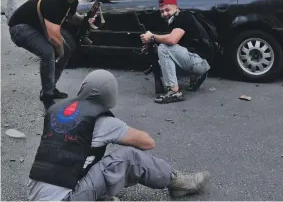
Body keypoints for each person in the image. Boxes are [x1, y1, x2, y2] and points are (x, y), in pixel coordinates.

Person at [27, 69, 211, 201]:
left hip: (35, 194)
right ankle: (178, 182)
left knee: (88, 156)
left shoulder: (55, 111)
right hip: (66, 198)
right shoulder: (102, 121)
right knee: (128, 157)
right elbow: (147, 143)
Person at [8, 0, 95, 110]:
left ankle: (51, 87)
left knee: (68, 47)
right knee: (48, 52)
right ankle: (47, 97)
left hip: (37, 27)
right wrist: (60, 52)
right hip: (20, 28)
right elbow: (54, 38)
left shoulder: (71, 2)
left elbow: (71, 17)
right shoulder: (54, 1)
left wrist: (85, 20)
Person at [140, 0, 212, 104]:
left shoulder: (183, 16)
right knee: (160, 52)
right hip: (196, 60)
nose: (164, 14)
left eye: (167, 10)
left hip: (200, 62)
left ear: (176, 7)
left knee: (164, 48)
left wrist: (152, 36)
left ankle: (174, 92)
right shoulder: (172, 20)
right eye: (162, 11)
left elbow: (172, 40)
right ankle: (195, 76)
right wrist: (150, 44)